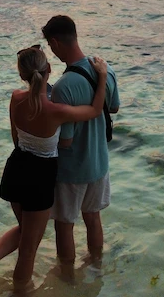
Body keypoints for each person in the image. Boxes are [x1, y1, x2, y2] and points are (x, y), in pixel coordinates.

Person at [0, 45, 108, 296]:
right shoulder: (56, 110)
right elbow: (95, 110)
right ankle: (22, 291)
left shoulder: (16, 98)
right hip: (39, 176)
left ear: (23, 76)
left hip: (15, 168)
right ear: (49, 70)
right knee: (29, 248)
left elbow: (16, 140)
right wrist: (103, 76)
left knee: (24, 232)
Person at [41, 15, 120, 268]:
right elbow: (114, 108)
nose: (52, 52)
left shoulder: (64, 86)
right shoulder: (106, 70)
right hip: (99, 163)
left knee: (64, 225)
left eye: (50, 46)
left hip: (72, 169)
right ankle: (96, 266)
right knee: (93, 218)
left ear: (55, 42)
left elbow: (65, 140)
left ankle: (67, 278)